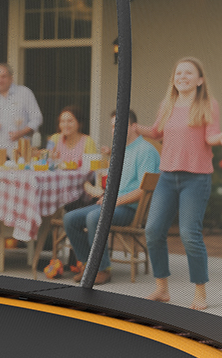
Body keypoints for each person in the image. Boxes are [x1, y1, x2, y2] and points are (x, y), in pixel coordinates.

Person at [136, 58, 222, 310]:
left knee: (190, 234)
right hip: (167, 177)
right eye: (179, 72)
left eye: (189, 72)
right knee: (153, 230)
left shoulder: (208, 105)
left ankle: (200, 292)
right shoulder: (167, 104)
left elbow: (210, 135)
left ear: (200, 80)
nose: (182, 76)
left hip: (196, 178)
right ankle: (162, 288)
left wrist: (221, 138)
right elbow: (157, 132)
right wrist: (133, 127)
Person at [58, 110, 159, 284]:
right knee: (70, 218)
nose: (114, 130)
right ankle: (87, 264)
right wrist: (103, 194)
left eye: (119, 126)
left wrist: (115, 201)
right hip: (112, 205)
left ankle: (103, 269)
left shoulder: (145, 151)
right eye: (113, 126)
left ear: (134, 127)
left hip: (130, 209)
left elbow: (144, 190)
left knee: (94, 217)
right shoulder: (121, 151)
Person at [0, 63, 42, 150]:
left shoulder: (24, 93)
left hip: (21, 152)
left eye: (3, 76)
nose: (0, 80)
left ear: (11, 78)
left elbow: (37, 119)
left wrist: (22, 132)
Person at [46, 105, 97, 170]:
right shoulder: (55, 138)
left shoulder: (88, 141)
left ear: (79, 123)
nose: (66, 125)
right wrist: (51, 158)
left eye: (70, 121)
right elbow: (46, 162)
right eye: (62, 121)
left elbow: (93, 168)